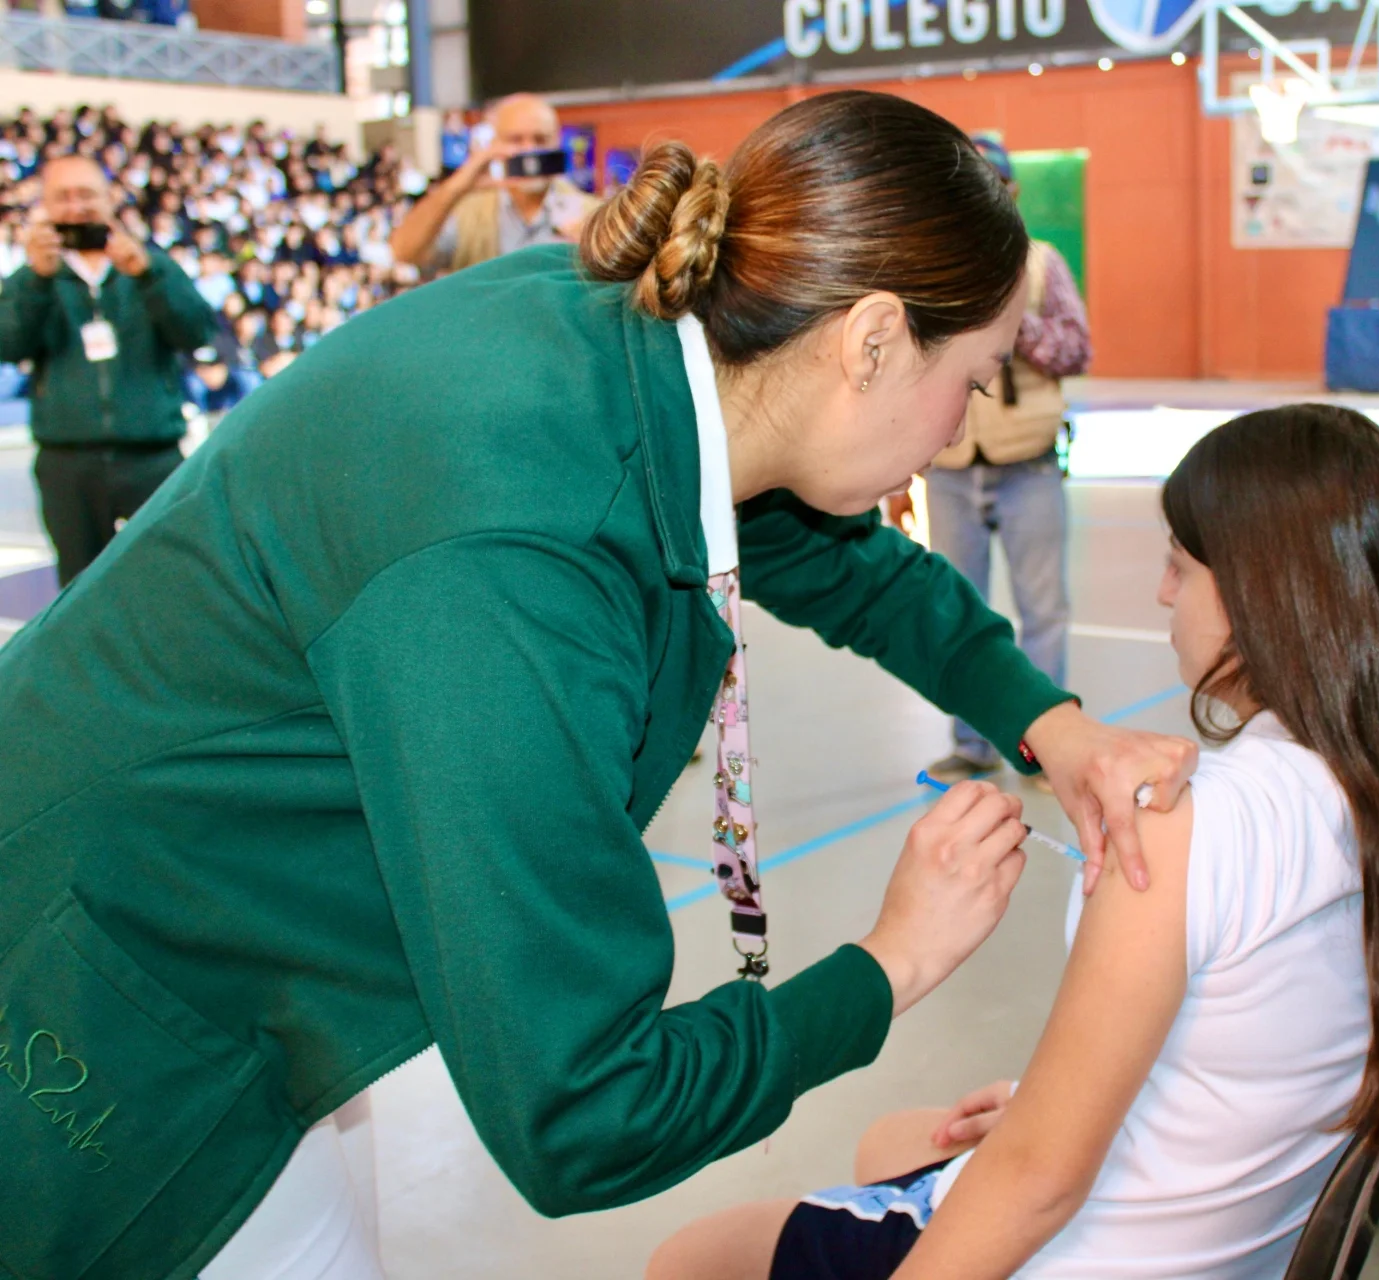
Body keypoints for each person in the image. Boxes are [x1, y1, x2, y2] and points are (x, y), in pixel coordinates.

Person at [0, 91, 1197, 1278]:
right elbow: (581, 1106)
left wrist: (1052, 722)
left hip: (223, 937)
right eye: (975, 379)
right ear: (872, 338)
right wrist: (891, 964)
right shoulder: (520, 558)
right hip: (105, 1007)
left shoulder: (631, 347)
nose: (955, 430)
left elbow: (843, 564)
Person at [652, 406, 1379, 1280]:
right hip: (1237, 1236)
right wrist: (1052, 1111)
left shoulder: (1184, 825)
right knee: (895, 1138)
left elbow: (1039, 1184)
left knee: (691, 1259)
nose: (1159, 592)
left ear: (1261, 598)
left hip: (1094, 1253)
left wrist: (1039, 1130)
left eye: (1178, 568)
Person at [913, 134, 1091, 787]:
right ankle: (973, 742)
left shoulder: (1042, 266)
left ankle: (1039, 744)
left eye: (996, 186)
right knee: (960, 609)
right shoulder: (927, 271)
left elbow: (1078, 349)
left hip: (1029, 463)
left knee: (1043, 609)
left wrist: (1015, 320)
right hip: (952, 466)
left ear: (1011, 194)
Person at [0, 153, 216, 584]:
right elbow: (9, 344)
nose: (76, 206)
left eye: (86, 194)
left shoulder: (148, 264)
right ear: (44, 203)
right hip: (68, 461)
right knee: (81, 592)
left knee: (173, 581)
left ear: (109, 199)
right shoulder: (32, 277)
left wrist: (147, 275)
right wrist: (36, 282)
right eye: (63, 196)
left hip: (152, 457)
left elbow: (197, 332)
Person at [389, 94, 594, 276]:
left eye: (540, 139)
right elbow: (404, 252)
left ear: (556, 143)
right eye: (515, 140)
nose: (529, 150)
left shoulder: (591, 214)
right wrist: (457, 186)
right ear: (495, 143)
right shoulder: (468, 215)